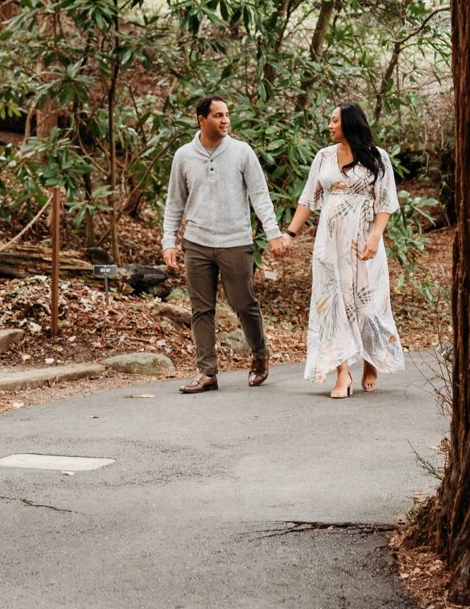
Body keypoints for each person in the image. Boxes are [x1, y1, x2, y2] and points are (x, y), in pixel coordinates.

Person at [162, 96, 288, 393]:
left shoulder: (242, 152)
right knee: (200, 309)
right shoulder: (183, 156)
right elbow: (174, 202)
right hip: (197, 242)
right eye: (218, 115)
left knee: (243, 303)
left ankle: (259, 356)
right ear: (201, 120)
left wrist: (273, 233)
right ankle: (207, 372)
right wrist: (169, 241)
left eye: (227, 115)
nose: (225, 120)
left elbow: (260, 195)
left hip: (235, 241)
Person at [282, 101, 405, 399]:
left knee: (367, 302)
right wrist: (289, 233)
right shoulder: (323, 157)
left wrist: (375, 237)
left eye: (334, 120)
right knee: (333, 302)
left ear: (349, 123)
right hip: (329, 242)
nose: (329, 125)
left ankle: (370, 359)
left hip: (363, 240)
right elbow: (308, 199)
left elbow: (385, 202)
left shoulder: (378, 158)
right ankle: (342, 371)